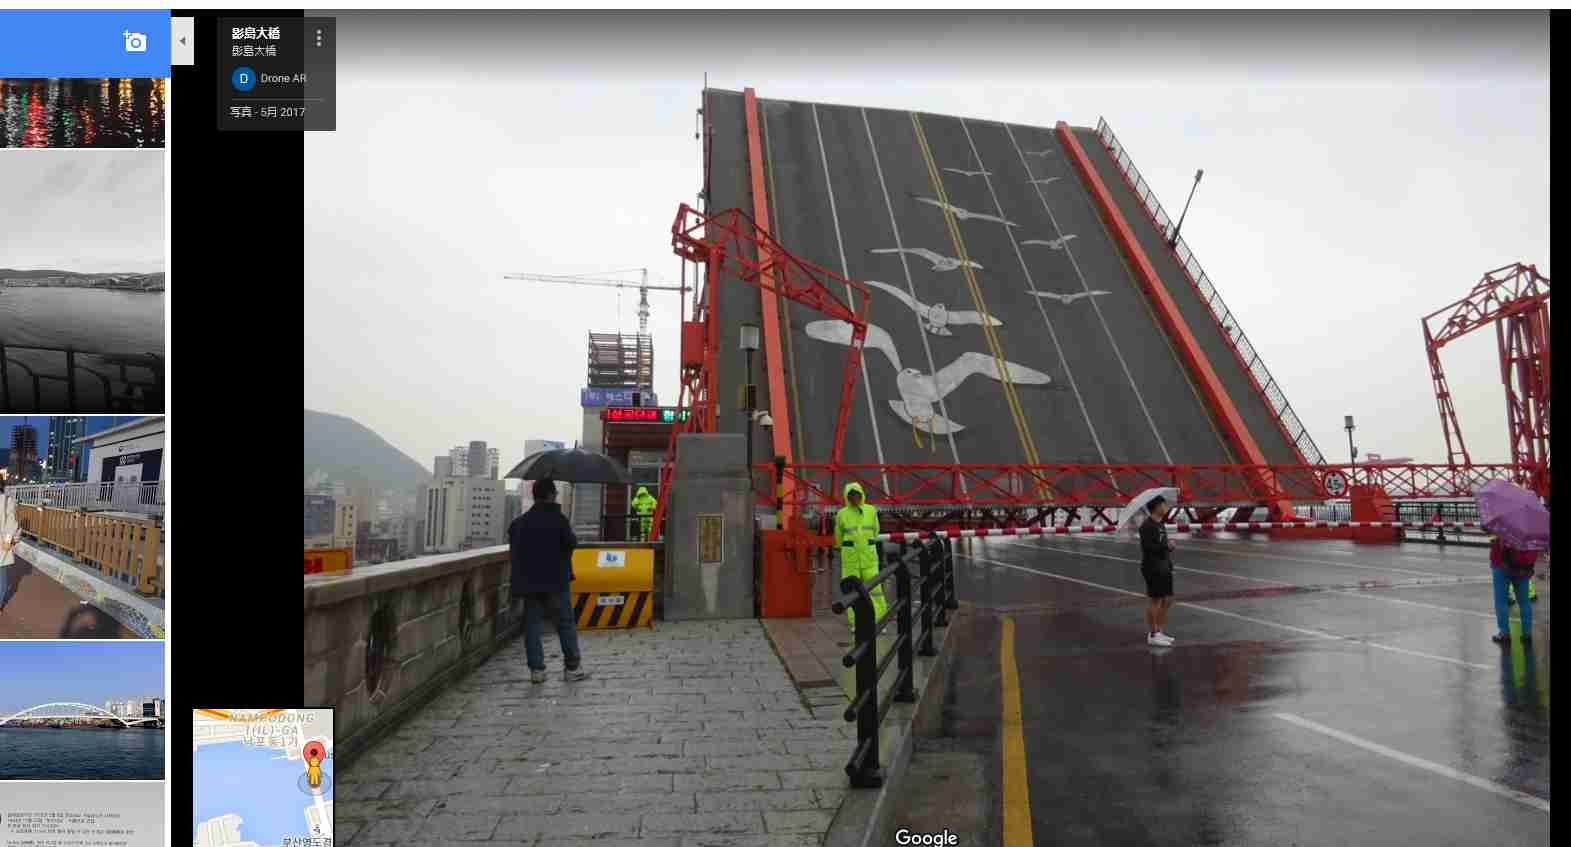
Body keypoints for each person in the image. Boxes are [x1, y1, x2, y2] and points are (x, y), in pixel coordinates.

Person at [509, 477, 589, 683]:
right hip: (556, 581)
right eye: (555, 493)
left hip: (529, 583)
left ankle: (537, 670)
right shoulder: (559, 520)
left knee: (532, 627)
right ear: (551, 495)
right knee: (565, 623)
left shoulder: (519, 523)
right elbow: (571, 543)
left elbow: (515, 552)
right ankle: (572, 668)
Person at [835, 482, 886, 629]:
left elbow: (875, 531)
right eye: (851, 495)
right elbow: (838, 536)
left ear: (861, 495)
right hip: (851, 559)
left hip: (868, 558)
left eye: (856, 494)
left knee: (875, 590)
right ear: (847, 497)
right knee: (851, 593)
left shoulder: (871, 510)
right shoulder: (841, 514)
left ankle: (878, 621)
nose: (854, 497)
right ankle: (856, 624)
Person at [1139, 496, 1177, 646]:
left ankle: (1159, 631)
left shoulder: (1160, 525)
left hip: (1164, 566)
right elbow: (1148, 548)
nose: (1166, 507)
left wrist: (1168, 552)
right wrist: (1167, 546)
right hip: (1152, 566)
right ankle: (1153, 634)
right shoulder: (1147, 526)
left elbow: (1161, 546)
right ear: (1156, 507)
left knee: (1167, 600)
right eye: (1163, 504)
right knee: (1156, 600)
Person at [1490, 534, 1538, 645]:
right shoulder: (1530, 527)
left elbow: (1487, 529)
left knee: (1501, 601)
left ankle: (1504, 633)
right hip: (1523, 567)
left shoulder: (1503, 525)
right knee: (1524, 602)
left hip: (1501, 565)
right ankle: (1527, 633)